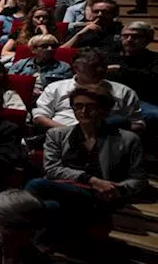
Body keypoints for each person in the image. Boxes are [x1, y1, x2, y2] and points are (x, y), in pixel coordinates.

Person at [26, 83, 147, 251]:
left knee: (35, 186)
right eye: (78, 106)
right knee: (50, 205)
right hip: (63, 188)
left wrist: (117, 189)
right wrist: (91, 180)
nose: (83, 111)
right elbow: (52, 169)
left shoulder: (127, 140)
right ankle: (46, 245)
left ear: (104, 109)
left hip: (101, 194)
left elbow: (138, 180)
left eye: (91, 107)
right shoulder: (57, 135)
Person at [33, 49, 141, 131]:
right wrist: (72, 132)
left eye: (103, 66)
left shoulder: (123, 91)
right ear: (76, 68)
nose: (100, 70)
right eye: (93, 66)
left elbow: (137, 123)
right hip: (63, 134)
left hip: (110, 139)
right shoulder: (56, 88)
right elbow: (40, 116)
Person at [7, 34, 72, 97]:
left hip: (48, 99)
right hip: (21, 97)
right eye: (44, 46)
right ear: (33, 50)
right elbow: (10, 84)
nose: (50, 49)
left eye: (53, 46)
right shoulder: (20, 64)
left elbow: (65, 91)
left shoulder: (64, 67)